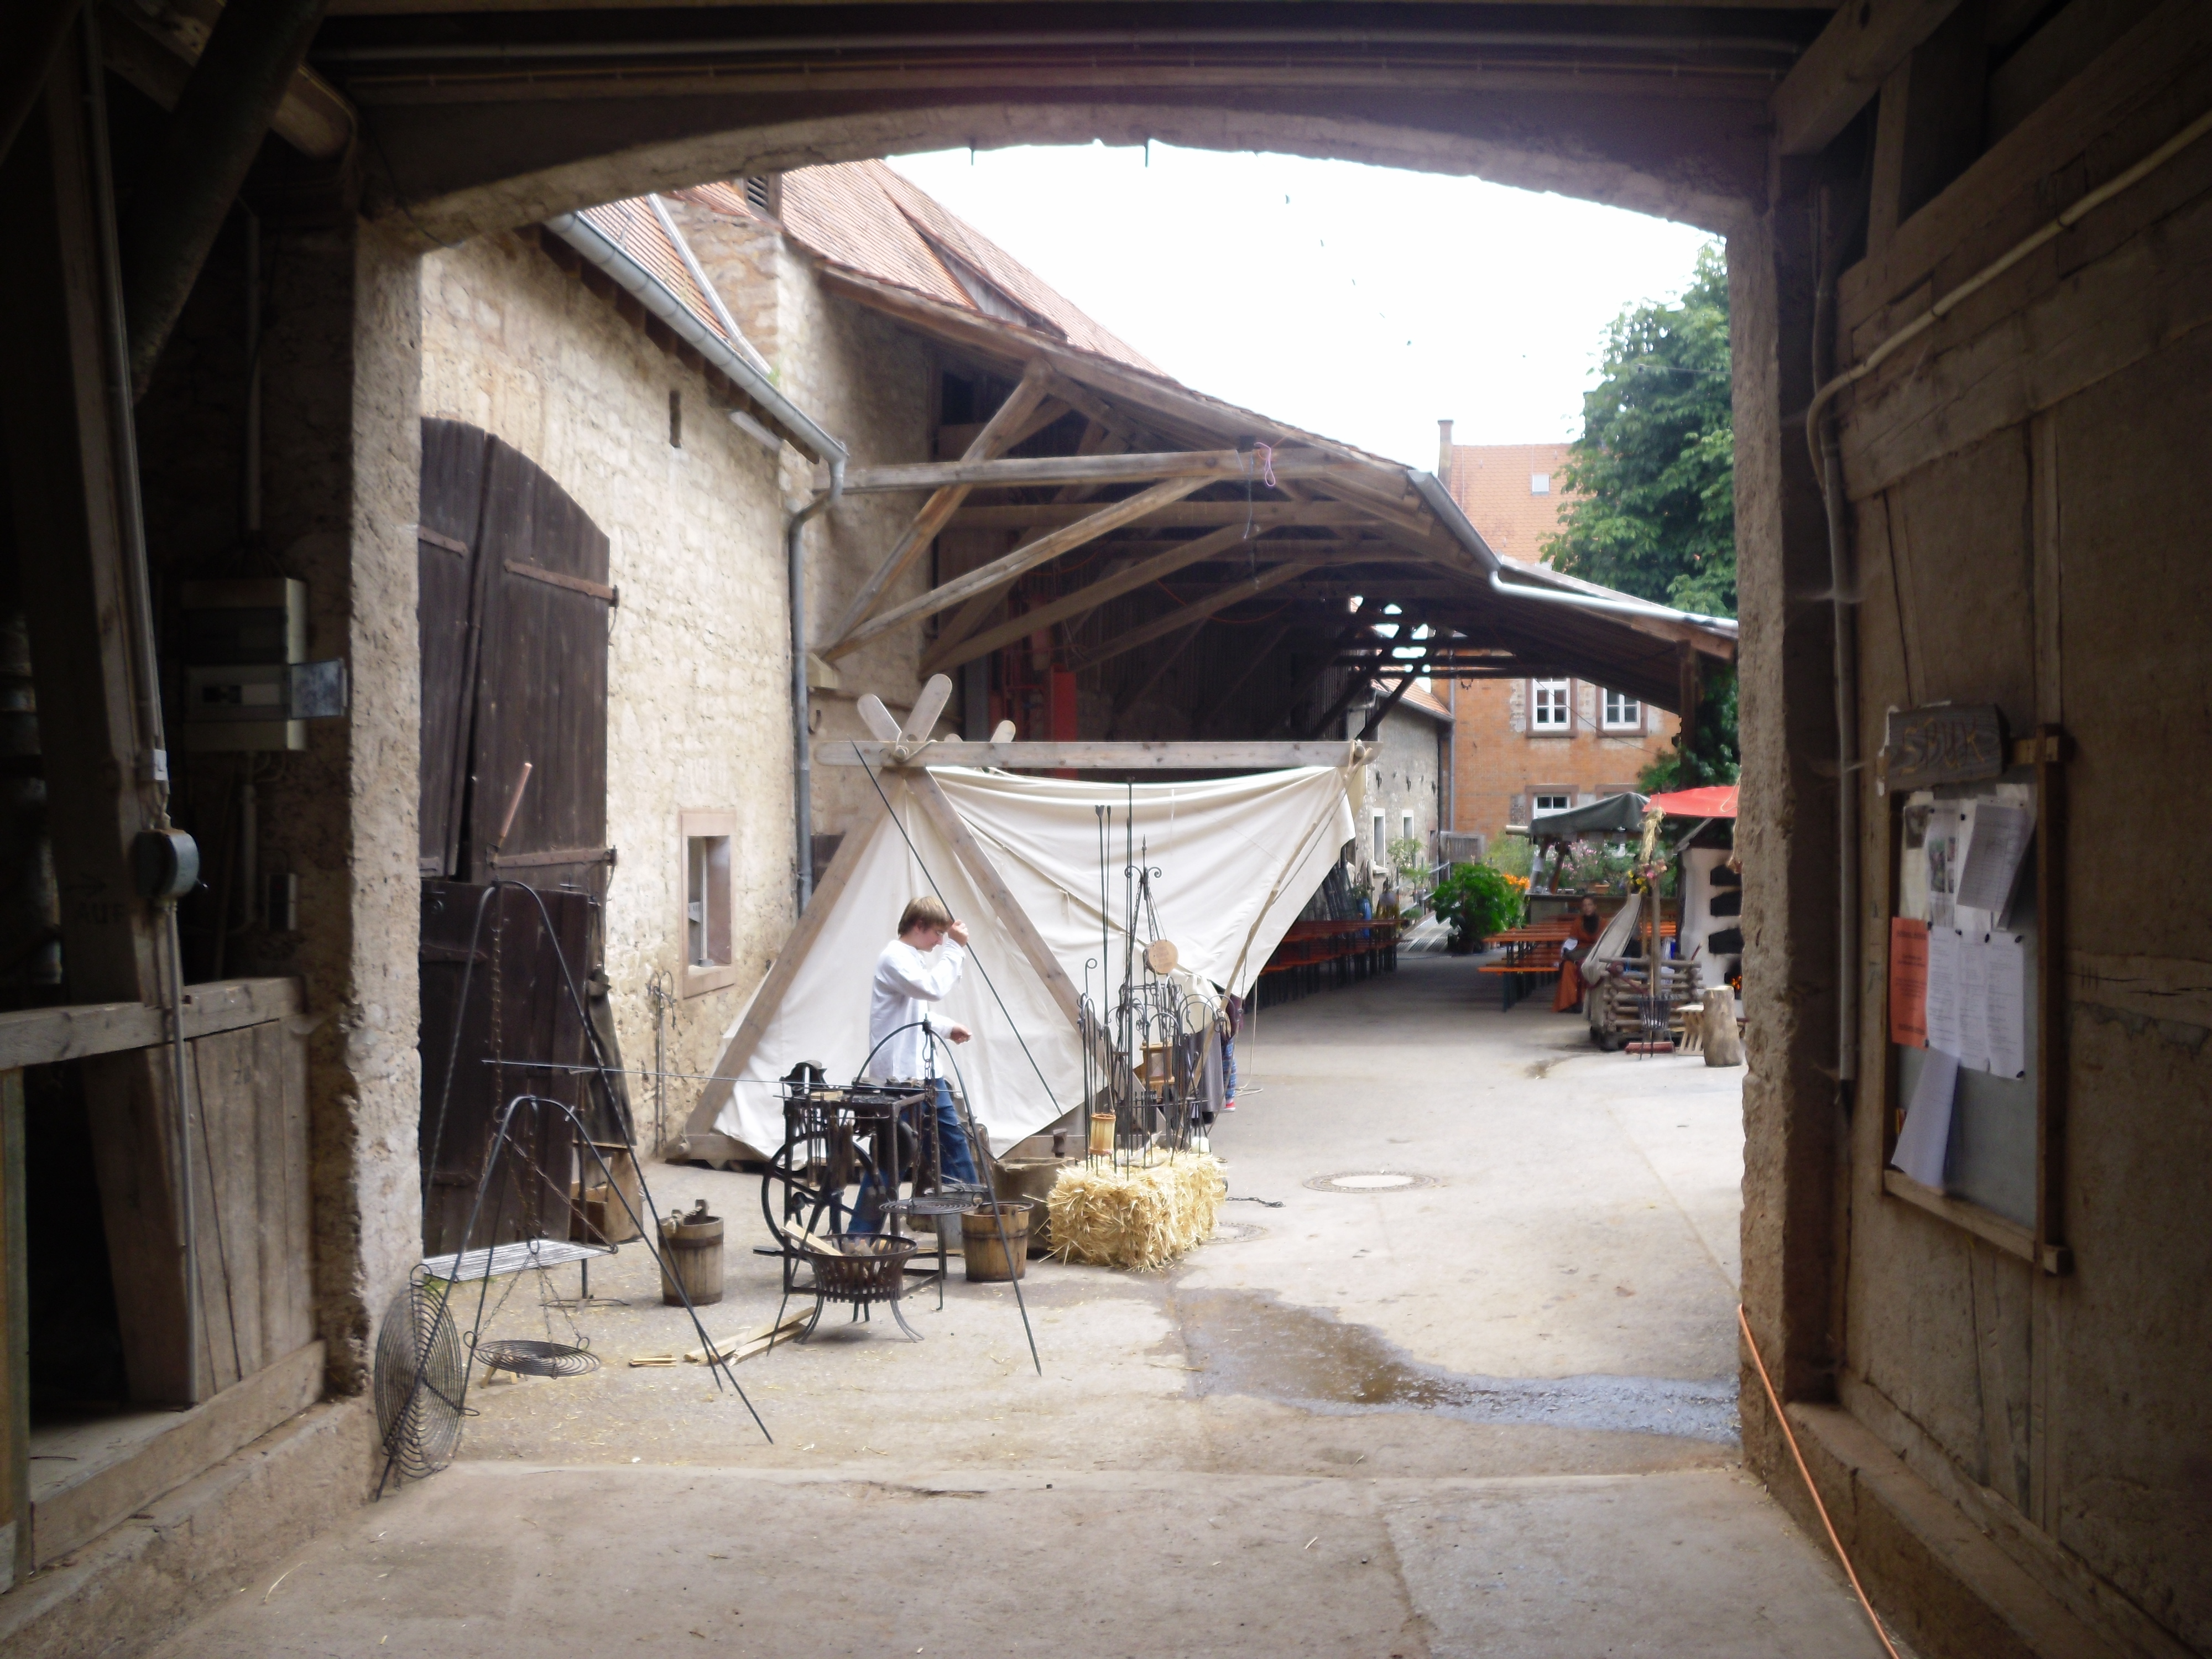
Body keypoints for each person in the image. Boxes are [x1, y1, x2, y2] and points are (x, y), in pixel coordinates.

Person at [853, 896, 979, 1231]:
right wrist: (955, 948)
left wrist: (946, 1027)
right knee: (894, 1157)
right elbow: (932, 989)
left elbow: (916, 1012)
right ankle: (858, 1237)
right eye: (937, 933)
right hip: (901, 1078)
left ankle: (975, 1223)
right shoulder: (894, 958)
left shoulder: (909, 958)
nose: (939, 942)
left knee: (949, 1144)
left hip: (922, 1074)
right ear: (919, 926)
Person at [1553, 895, 1605, 1013]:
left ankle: (1587, 1002)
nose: (1587, 908)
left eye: (1590, 905)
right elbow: (1572, 941)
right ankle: (1569, 1003)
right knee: (1568, 966)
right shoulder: (1578, 922)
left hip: (1597, 954)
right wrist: (1568, 951)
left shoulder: (1603, 923)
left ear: (1595, 906)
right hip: (1580, 953)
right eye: (1584, 906)